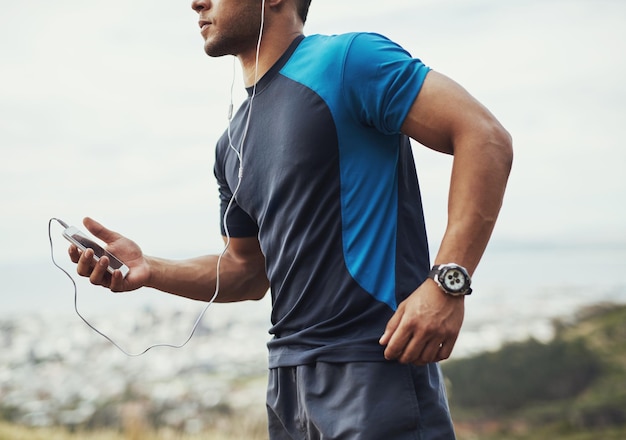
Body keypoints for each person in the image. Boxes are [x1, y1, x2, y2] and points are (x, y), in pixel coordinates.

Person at [69, 0, 513, 438]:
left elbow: (483, 135)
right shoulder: (231, 145)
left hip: (374, 367)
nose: (195, 3)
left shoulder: (347, 62)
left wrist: (447, 283)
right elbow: (246, 271)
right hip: (286, 385)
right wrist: (149, 270)